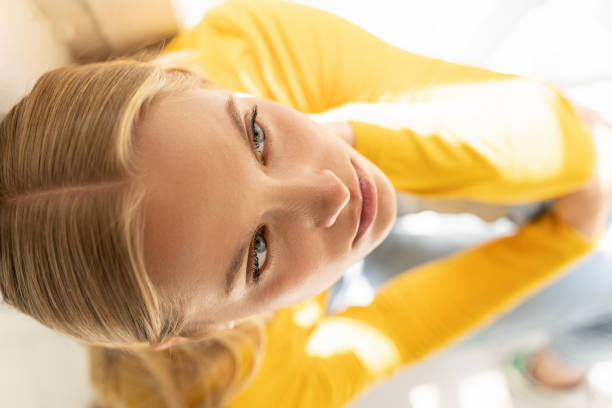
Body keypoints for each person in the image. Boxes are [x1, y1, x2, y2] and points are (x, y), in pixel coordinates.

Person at [0, 0, 609, 407]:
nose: (331, 192)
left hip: (339, 210)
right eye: (257, 251)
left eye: (257, 137)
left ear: (201, 87)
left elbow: (565, 147)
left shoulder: (248, 50)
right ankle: (550, 373)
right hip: (302, 318)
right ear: (199, 332)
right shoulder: (241, 391)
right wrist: (568, 236)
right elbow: (397, 328)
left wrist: (347, 135)